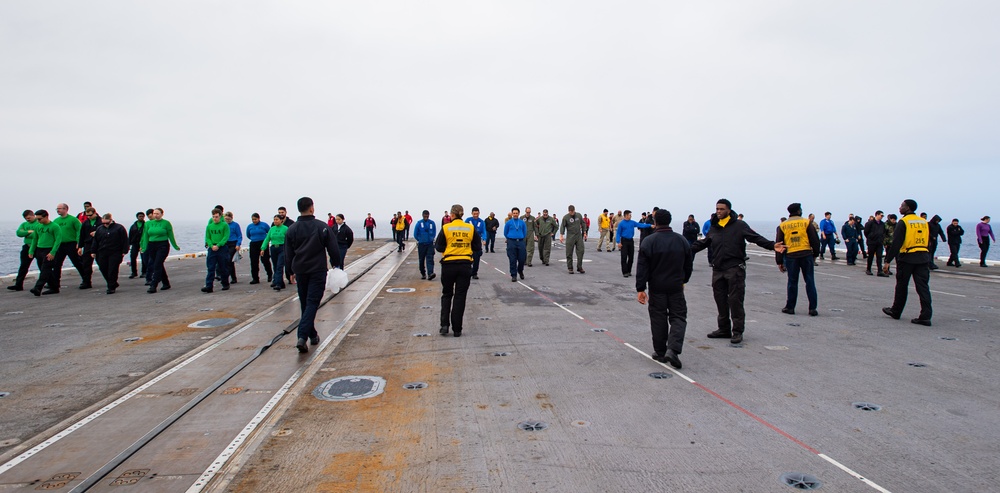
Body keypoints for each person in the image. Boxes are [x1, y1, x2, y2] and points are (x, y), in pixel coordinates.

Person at [690, 199, 784, 344]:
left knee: (735, 300)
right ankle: (723, 329)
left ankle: (737, 331)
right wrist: (683, 249)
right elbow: (704, 242)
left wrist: (772, 245)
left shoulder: (739, 225)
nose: (718, 211)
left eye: (721, 209)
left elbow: (755, 238)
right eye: (717, 209)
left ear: (728, 210)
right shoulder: (714, 227)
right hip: (718, 269)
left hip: (735, 268)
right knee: (720, 300)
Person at [636, 209, 692, 369]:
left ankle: (660, 351)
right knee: (678, 317)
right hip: (676, 285)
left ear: (655, 222)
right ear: (669, 220)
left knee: (658, 317)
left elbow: (642, 267)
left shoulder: (649, 241)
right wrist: (684, 280)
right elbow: (688, 264)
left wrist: (641, 288)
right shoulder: (681, 240)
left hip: (657, 286)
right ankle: (673, 349)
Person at [285, 197, 342, 353]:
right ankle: (302, 337)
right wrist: (336, 264)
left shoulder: (292, 229)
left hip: (300, 271)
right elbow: (333, 249)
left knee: (305, 303)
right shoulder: (321, 227)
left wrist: (289, 271)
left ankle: (313, 335)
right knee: (312, 303)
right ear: (312, 208)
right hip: (317, 270)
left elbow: (288, 253)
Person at [882, 199, 933, 326]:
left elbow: (897, 243)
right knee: (923, 287)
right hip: (923, 257)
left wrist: (887, 260)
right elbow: (929, 241)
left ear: (908, 208)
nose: (900, 208)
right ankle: (926, 316)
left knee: (902, 285)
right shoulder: (923, 222)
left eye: (902, 206)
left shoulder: (903, 222)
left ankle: (896, 310)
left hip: (907, 257)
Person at [435, 204, 481, 337]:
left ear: (452, 215)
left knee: (447, 294)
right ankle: (457, 329)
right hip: (465, 265)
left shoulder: (446, 227)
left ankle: (444, 325)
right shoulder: (470, 228)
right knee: (460, 296)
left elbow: (438, 247)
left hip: (449, 265)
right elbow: (477, 247)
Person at [776, 203, 820, 316]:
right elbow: (815, 239)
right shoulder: (806, 222)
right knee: (810, 281)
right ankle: (812, 308)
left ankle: (790, 307)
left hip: (791, 256)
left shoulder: (783, 225)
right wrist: (815, 253)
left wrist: (779, 261)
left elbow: (779, 244)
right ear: (799, 211)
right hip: (806, 254)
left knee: (792, 282)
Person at [50, 203, 89, 292]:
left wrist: (79, 244)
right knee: (56, 264)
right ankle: (55, 283)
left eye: (60, 208)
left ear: (66, 209)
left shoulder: (73, 220)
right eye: (57, 209)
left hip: (71, 244)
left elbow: (79, 231)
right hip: (60, 245)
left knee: (77, 263)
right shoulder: (56, 221)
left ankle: (86, 280)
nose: (58, 210)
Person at [140, 208, 179, 293]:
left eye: (158, 214)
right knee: (158, 264)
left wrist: (175, 246)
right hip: (152, 245)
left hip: (163, 245)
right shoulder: (148, 224)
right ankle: (166, 283)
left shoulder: (166, 223)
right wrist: (143, 247)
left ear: (162, 214)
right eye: (154, 213)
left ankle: (153, 285)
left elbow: (170, 235)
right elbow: (145, 236)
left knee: (157, 264)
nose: (156, 215)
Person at [91, 213, 129, 294]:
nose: (105, 225)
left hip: (115, 252)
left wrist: (124, 251)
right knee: (103, 268)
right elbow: (96, 241)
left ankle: (111, 287)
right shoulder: (100, 229)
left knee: (112, 269)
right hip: (102, 252)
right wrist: (93, 251)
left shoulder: (119, 228)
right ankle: (113, 283)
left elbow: (124, 240)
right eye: (103, 223)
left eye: (107, 223)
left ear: (111, 220)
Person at [28, 210, 62, 296]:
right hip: (40, 249)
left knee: (45, 269)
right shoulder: (38, 226)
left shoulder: (55, 226)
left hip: (49, 249)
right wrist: (31, 250)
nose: (38, 221)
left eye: (40, 219)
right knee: (44, 269)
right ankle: (54, 287)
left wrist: (53, 252)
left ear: (46, 217)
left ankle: (38, 288)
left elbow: (58, 240)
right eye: (37, 219)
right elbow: (35, 239)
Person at [9, 210, 41, 292]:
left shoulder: (39, 223)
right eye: (26, 219)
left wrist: (27, 234)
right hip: (27, 247)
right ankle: (18, 285)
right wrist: (28, 232)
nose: (28, 220)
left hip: (37, 247)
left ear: (33, 215)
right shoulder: (24, 224)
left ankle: (50, 283)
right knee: (23, 266)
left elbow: (36, 234)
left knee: (42, 265)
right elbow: (19, 233)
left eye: (29, 218)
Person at [615, 210, 652, 277]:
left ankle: (629, 270)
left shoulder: (632, 222)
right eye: (630, 215)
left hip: (630, 240)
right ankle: (625, 272)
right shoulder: (621, 223)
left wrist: (650, 225)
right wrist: (618, 242)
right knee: (624, 257)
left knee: (631, 257)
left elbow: (640, 225)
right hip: (624, 241)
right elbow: (618, 233)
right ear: (626, 215)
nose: (631, 216)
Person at [202, 209, 231, 293]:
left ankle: (225, 283)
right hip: (212, 248)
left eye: (216, 217)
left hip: (221, 248)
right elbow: (207, 237)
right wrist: (211, 245)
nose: (215, 218)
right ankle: (209, 286)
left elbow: (226, 236)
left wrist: (218, 245)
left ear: (220, 216)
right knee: (210, 267)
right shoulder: (209, 226)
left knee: (223, 266)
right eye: (213, 217)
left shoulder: (224, 225)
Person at [262, 215, 288, 290]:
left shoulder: (285, 229)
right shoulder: (272, 229)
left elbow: (289, 239)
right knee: (275, 266)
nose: (275, 221)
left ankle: (278, 284)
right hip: (274, 248)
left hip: (282, 248)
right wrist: (263, 248)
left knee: (280, 266)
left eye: (277, 219)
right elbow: (267, 239)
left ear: (281, 220)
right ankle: (281, 282)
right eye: (274, 219)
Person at [78, 207, 101, 289]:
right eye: (87, 215)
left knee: (102, 263)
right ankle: (86, 281)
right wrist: (80, 247)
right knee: (86, 264)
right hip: (88, 244)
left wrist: (97, 232)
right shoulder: (85, 223)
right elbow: (82, 235)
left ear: (95, 213)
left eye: (90, 215)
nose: (89, 217)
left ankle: (110, 280)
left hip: (99, 245)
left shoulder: (101, 221)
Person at [246, 213, 273, 285]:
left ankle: (270, 275)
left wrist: (266, 242)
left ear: (259, 218)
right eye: (253, 219)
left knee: (265, 260)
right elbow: (248, 235)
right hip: (254, 243)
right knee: (254, 261)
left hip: (263, 243)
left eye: (255, 219)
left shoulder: (264, 225)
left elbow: (269, 233)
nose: (254, 221)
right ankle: (255, 278)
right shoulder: (250, 226)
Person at [560, 205, 587, 274]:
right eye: (571, 212)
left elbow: (583, 224)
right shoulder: (566, 217)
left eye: (573, 211)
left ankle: (579, 267)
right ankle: (570, 268)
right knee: (569, 252)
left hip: (578, 236)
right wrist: (561, 235)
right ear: (569, 211)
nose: (572, 213)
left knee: (581, 251)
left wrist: (584, 232)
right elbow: (562, 226)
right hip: (570, 236)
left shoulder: (578, 215)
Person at [504, 207, 528, 282]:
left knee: (522, 259)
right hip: (511, 242)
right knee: (512, 259)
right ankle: (513, 275)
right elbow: (505, 232)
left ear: (518, 214)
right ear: (512, 214)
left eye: (516, 213)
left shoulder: (522, 222)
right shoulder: (508, 223)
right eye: (514, 213)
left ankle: (520, 270)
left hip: (520, 242)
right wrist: (510, 238)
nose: (515, 214)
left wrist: (520, 237)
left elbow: (525, 232)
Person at [413, 210, 437, 280]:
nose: (426, 216)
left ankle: (430, 273)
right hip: (422, 245)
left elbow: (434, 232)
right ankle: (423, 273)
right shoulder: (419, 223)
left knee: (430, 259)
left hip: (430, 244)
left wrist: (431, 238)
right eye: (425, 215)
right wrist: (420, 240)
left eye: (427, 215)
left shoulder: (432, 223)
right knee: (421, 260)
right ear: (422, 215)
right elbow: (415, 234)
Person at [864, 211, 889, 276]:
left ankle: (880, 271)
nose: (882, 217)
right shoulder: (870, 223)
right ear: (877, 215)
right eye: (881, 215)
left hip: (879, 242)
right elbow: (866, 232)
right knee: (871, 256)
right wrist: (870, 237)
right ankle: (868, 269)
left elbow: (884, 232)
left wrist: (882, 239)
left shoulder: (882, 224)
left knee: (879, 257)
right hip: (872, 242)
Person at [465, 207, 486, 279]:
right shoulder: (468, 220)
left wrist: (484, 239)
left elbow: (484, 231)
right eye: (474, 214)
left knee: (476, 259)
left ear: (479, 213)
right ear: (472, 213)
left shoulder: (481, 222)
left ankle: (474, 273)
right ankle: (468, 272)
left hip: (477, 242)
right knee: (468, 258)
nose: (476, 215)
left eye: (477, 214)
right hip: (468, 242)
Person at [224, 212, 242, 284]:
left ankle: (233, 277)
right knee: (225, 261)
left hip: (233, 243)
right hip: (225, 243)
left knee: (230, 259)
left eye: (228, 219)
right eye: (226, 219)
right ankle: (228, 277)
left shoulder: (235, 225)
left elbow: (239, 235)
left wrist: (238, 244)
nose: (227, 221)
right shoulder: (224, 225)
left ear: (232, 218)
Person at [127, 211, 146, 279]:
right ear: (137, 217)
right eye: (139, 216)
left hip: (143, 243)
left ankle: (144, 272)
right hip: (135, 243)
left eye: (142, 216)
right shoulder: (133, 226)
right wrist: (129, 244)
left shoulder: (145, 225)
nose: (141, 217)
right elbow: (130, 235)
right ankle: (134, 272)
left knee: (144, 258)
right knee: (132, 257)